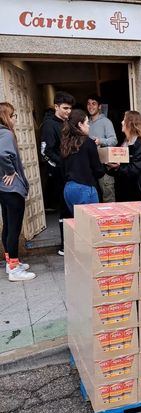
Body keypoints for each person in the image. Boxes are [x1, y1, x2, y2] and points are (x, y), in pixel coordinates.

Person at [0, 102, 36, 281]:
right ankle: (14, 270)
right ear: (7, 117)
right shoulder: (6, 133)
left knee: (7, 226)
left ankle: (11, 263)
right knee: (14, 229)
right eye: (13, 116)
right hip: (12, 189)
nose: (15, 119)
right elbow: (2, 154)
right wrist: (10, 171)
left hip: (3, 189)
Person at [40, 91, 75, 256]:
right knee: (65, 211)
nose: (68, 111)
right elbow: (46, 152)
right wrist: (61, 167)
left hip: (72, 174)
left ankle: (73, 244)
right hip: (60, 175)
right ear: (56, 106)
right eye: (65, 108)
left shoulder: (68, 123)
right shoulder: (49, 125)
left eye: (70, 108)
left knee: (73, 210)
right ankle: (64, 246)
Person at [106, 110, 141, 201]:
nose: (122, 122)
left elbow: (135, 169)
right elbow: (121, 169)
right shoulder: (125, 143)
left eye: (124, 119)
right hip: (127, 192)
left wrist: (118, 167)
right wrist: (109, 165)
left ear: (131, 123)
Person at [60, 109, 105, 215]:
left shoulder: (65, 144)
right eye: (87, 123)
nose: (89, 126)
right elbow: (98, 170)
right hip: (85, 188)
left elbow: (62, 168)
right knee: (91, 227)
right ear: (80, 124)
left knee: (78, 225)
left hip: (68, 189)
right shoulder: (89, 142)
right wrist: (107, 167)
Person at [87, 94, 117, 203]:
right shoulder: (86, 123)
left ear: (99, 106)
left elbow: (114, 140)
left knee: (108, 198)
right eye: (89, 104)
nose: (91, 106)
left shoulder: (106, 122)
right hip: (90, 167)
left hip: (104, 167)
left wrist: (101, 141)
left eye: (94, 104)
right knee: (94, 200)